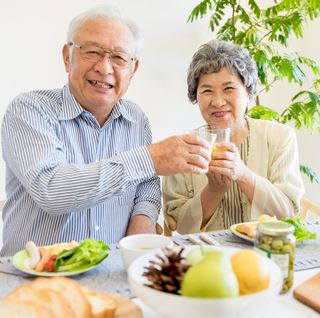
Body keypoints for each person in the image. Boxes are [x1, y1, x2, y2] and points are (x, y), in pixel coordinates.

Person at [0, 5, 211, 256]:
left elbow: (146, 189)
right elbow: (52, 191)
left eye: (119, 57)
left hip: (114, 269)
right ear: (68, 57)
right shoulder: (29, 110)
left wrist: (138, 238)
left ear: (133, 69)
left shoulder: (137, 119)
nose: (104, 68)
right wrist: (150, 158)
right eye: (92, 52)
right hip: (34, 277)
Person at [162, 39, 305, 235]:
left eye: (229, 88)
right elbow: (182, 227)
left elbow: (288, 215)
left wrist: (242, 173)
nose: (218, 101)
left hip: (266, 251)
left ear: (248, 91)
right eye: (207, 90)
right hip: (207, 256)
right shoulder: (184, 148)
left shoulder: (279, 137)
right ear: (196, 96)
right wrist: (214, 190)